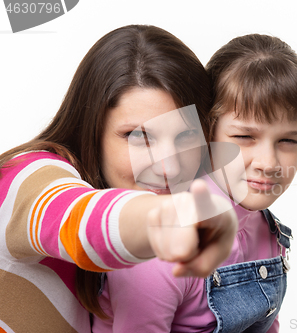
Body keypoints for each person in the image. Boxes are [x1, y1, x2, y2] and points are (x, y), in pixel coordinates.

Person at [0, 25, 238, 333]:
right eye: (138, 136)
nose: (170, 169)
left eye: (186, 135)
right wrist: (169, 217)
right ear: (92, 129)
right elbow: (82, 219)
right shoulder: (28, 177)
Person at [93, 33, 297, 333]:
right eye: (244, 137)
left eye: (288, 140)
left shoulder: (268, 230)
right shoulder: (163, 244)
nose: (268, 162)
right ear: (206, 132)